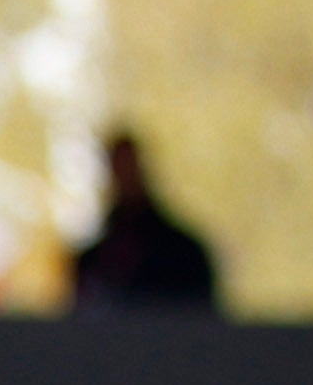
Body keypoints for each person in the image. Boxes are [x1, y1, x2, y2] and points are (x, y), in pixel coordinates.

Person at [70, 133, 223, 316]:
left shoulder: (184, 256)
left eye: (129, 166)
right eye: (119, 167)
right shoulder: (92, 263)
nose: (125, 176)